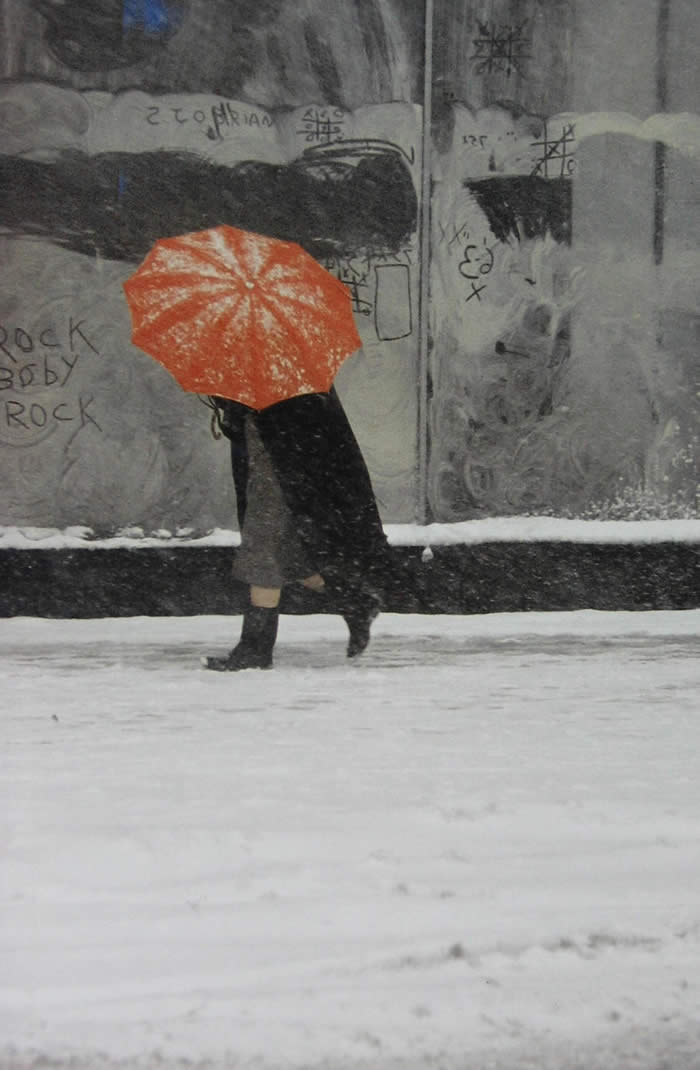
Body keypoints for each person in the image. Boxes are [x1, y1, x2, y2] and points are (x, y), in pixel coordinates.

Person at [202, 388, 394, 671]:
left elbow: (295, 426)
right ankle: (355, 599)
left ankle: (255, 648)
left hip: (280, 467)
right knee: (291, 556)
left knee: (263, 552)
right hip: (271, 463)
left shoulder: (286, 376)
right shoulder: (271, 369)